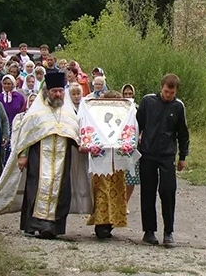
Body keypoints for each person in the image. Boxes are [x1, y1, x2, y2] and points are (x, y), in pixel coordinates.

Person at [0, 71, 92, 240]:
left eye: (60, 91)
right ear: (47, 92)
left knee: (62, 190)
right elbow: (25, 137)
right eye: (54, 91)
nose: (58, 94)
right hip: (38, 158)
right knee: (36, 188)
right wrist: (22, 155)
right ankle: (36, 225)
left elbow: (76, 135)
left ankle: (54, 227)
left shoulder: (68, 114)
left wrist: (83, 146)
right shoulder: (36, 113)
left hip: (62, 160)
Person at [137, 74, 190, 246]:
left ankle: (168, 232)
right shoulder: (148, 101)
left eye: (172, 92)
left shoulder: (178, 106)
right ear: (161, 88)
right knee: (148, 191)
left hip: (167, 155)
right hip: (148, 153)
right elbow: (138, 124)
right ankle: (149, 231)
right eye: (166, 91)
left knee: (168, 191)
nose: (168, 95)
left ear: (176, 91)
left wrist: (182, 156)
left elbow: (183, 133)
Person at [80, 90, 138, 239]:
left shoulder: (127, 114)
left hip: (117, 159)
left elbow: (133, 131)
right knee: (102, 191)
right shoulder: (94, 114)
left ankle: (112, 222)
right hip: (101, 158)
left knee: (117, 191)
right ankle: (101, 222)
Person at [122, 84, 140, 209]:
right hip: (120, 145)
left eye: (130, 93)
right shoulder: (118, 108)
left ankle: (125, 203)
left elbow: (142, 123)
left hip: (133, 144)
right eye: (125, 94)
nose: (128, 96)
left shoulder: (137, 108)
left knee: (131, 176)